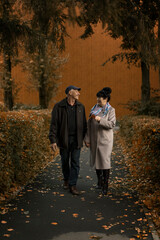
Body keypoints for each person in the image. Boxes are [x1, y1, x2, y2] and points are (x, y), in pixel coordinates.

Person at [49, 85, 87, 195]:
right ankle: (66, 178)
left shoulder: (81, 107)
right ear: (70, 92)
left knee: (75, 162)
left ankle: (73, 185)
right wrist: (53, 140)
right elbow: (54, 124)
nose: (79, 93)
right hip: (64, 139)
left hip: (76, 139)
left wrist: (86, 138)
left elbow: (84, 124)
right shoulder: (59, 107)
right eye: (76, 91)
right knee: (65, 161)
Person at [84, 87, 116, 195]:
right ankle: (100, 182)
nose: (98, 100)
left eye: (100, 98)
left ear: (106, 99)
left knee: (104, 162)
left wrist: (100, 120)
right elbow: (88, 126)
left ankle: (105, 186)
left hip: (105, 141)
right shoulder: (94, 109)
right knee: (96, 161)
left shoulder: (111, 110)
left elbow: (111, 124)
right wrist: (87, 139)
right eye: (97, 98)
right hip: (94, 140)